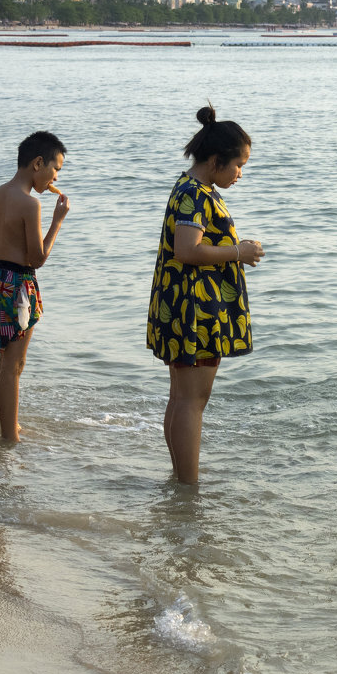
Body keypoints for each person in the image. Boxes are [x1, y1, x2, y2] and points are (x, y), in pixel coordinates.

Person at [146, 105, 265, 484]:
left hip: (182, 304)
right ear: (216, 161)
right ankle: (189, 488)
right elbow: (187, 250)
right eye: (238, 165)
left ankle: (181, 478)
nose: (241, 174)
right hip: (193, 310)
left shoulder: (191, 188)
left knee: (181, 398)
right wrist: (238, 252)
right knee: (192, 402)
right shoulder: (194, 194)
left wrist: (234, 247)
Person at [0, 131, 70, 442]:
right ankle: (9, 436)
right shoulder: (31, 205)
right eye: (55, 169)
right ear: (37, 163)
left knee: (7, 358)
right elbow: (38, 258)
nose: (55, 176)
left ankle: (8, 425)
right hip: (18, 283)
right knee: (14, 362)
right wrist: (58, 220)